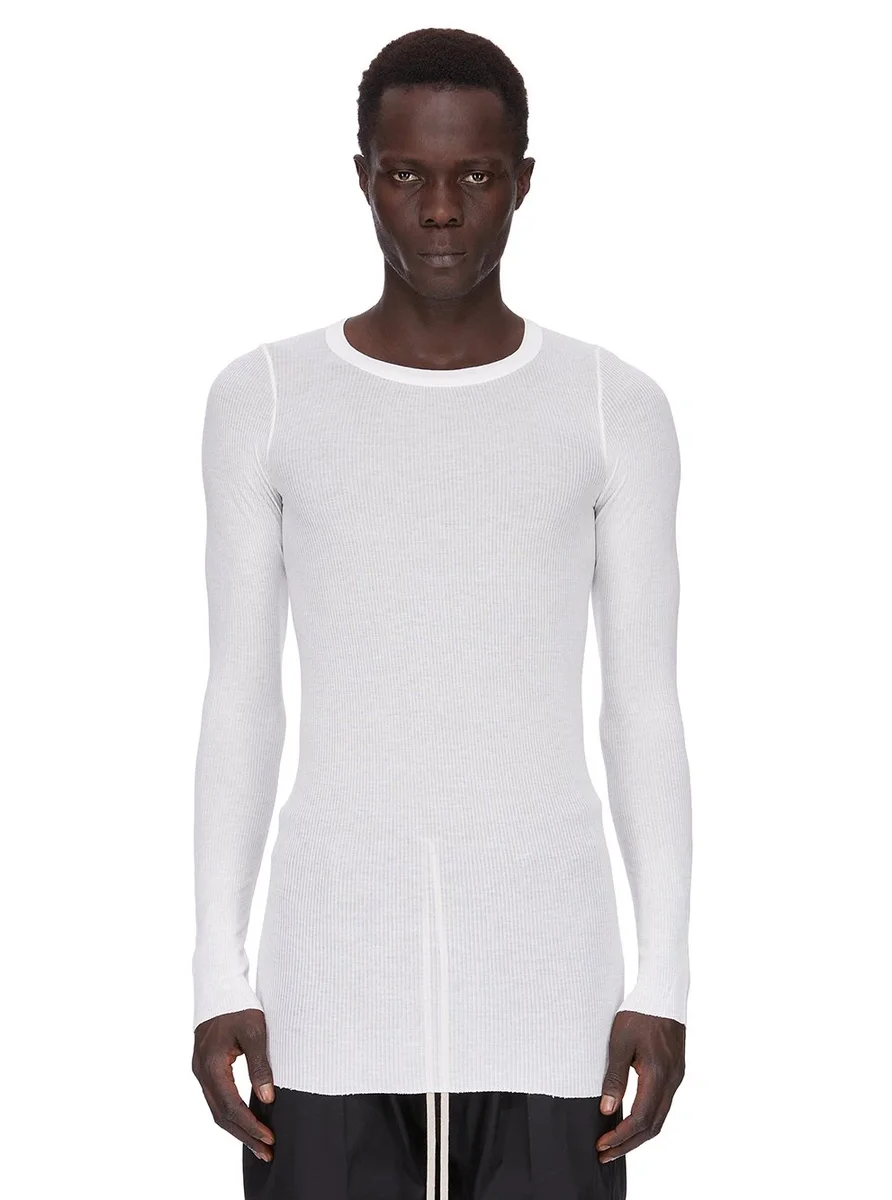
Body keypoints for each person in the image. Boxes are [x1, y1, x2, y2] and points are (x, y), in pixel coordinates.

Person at [190, 26, 692, 1200]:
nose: (441, 210)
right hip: (327, 987)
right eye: (406, 173)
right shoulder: (267, 400)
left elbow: (642, 706)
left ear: (524, 179)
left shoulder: (610, 407)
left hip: (552, 989)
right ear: (363, 177)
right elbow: (242, 698)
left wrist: (662, 982)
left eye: (476, 174)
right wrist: (219, 970)